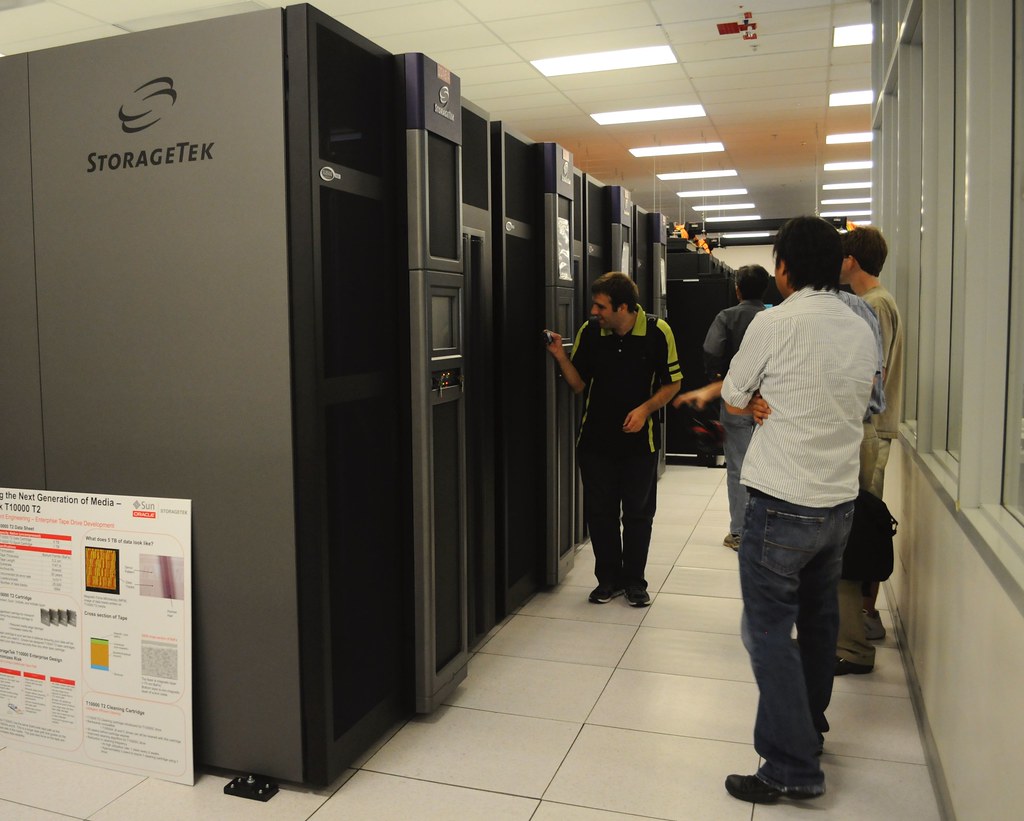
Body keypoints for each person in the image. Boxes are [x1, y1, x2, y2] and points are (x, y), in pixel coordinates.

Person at [719, 217, 877, 804]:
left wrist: (763, 399)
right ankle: (807, 732)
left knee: (765, 630)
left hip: (782, 501)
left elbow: (735, 396)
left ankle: (789, 765)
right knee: (818, 623)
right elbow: (869, 400)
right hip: (838, 504)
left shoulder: (774, 322)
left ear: (784, 268)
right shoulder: (862, 324)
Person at [544, 272, 681, 607]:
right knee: (601, 515)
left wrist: (645, 410)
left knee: (637, 515)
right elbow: (579, 385)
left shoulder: (657, 331)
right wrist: (560, 356)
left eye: (601, 306)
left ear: (623, 307)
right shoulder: (590, 333)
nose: (595, 311)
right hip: (595, 442)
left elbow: (673, 383)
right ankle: (608, 580)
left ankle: (635, 581)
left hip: (640, 444)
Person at [835, 226, 904, 674]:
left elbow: (867, 375)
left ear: (852, 261)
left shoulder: (873, 306)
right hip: (874, 430)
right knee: (863, 525)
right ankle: (862, 618)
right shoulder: (882, 301)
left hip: (868, 430)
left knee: (857, 531)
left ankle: (857, 627)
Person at [672, 264, 770, 550]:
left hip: (735, 402)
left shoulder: (727, 317)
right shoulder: (773, 318)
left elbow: (711, 349)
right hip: (768, 404)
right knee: (766, 467)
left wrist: (716, 380)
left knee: (738, 468)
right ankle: (763, 530)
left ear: (737, 288)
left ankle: (739, 532)